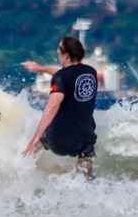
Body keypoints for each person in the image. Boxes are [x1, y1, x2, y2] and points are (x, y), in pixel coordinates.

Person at [22, 36, 97, 178]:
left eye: (59, 49)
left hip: (58, 141)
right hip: (82, 140)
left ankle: (26, 175)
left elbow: (54, 105)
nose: (57, 51)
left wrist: (36, 136)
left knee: (37, 145)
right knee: (86, 154)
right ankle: (88, 185)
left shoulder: (60, 77)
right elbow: (68, 76)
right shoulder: (91, 72)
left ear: (66, 55)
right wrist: (42, 69)